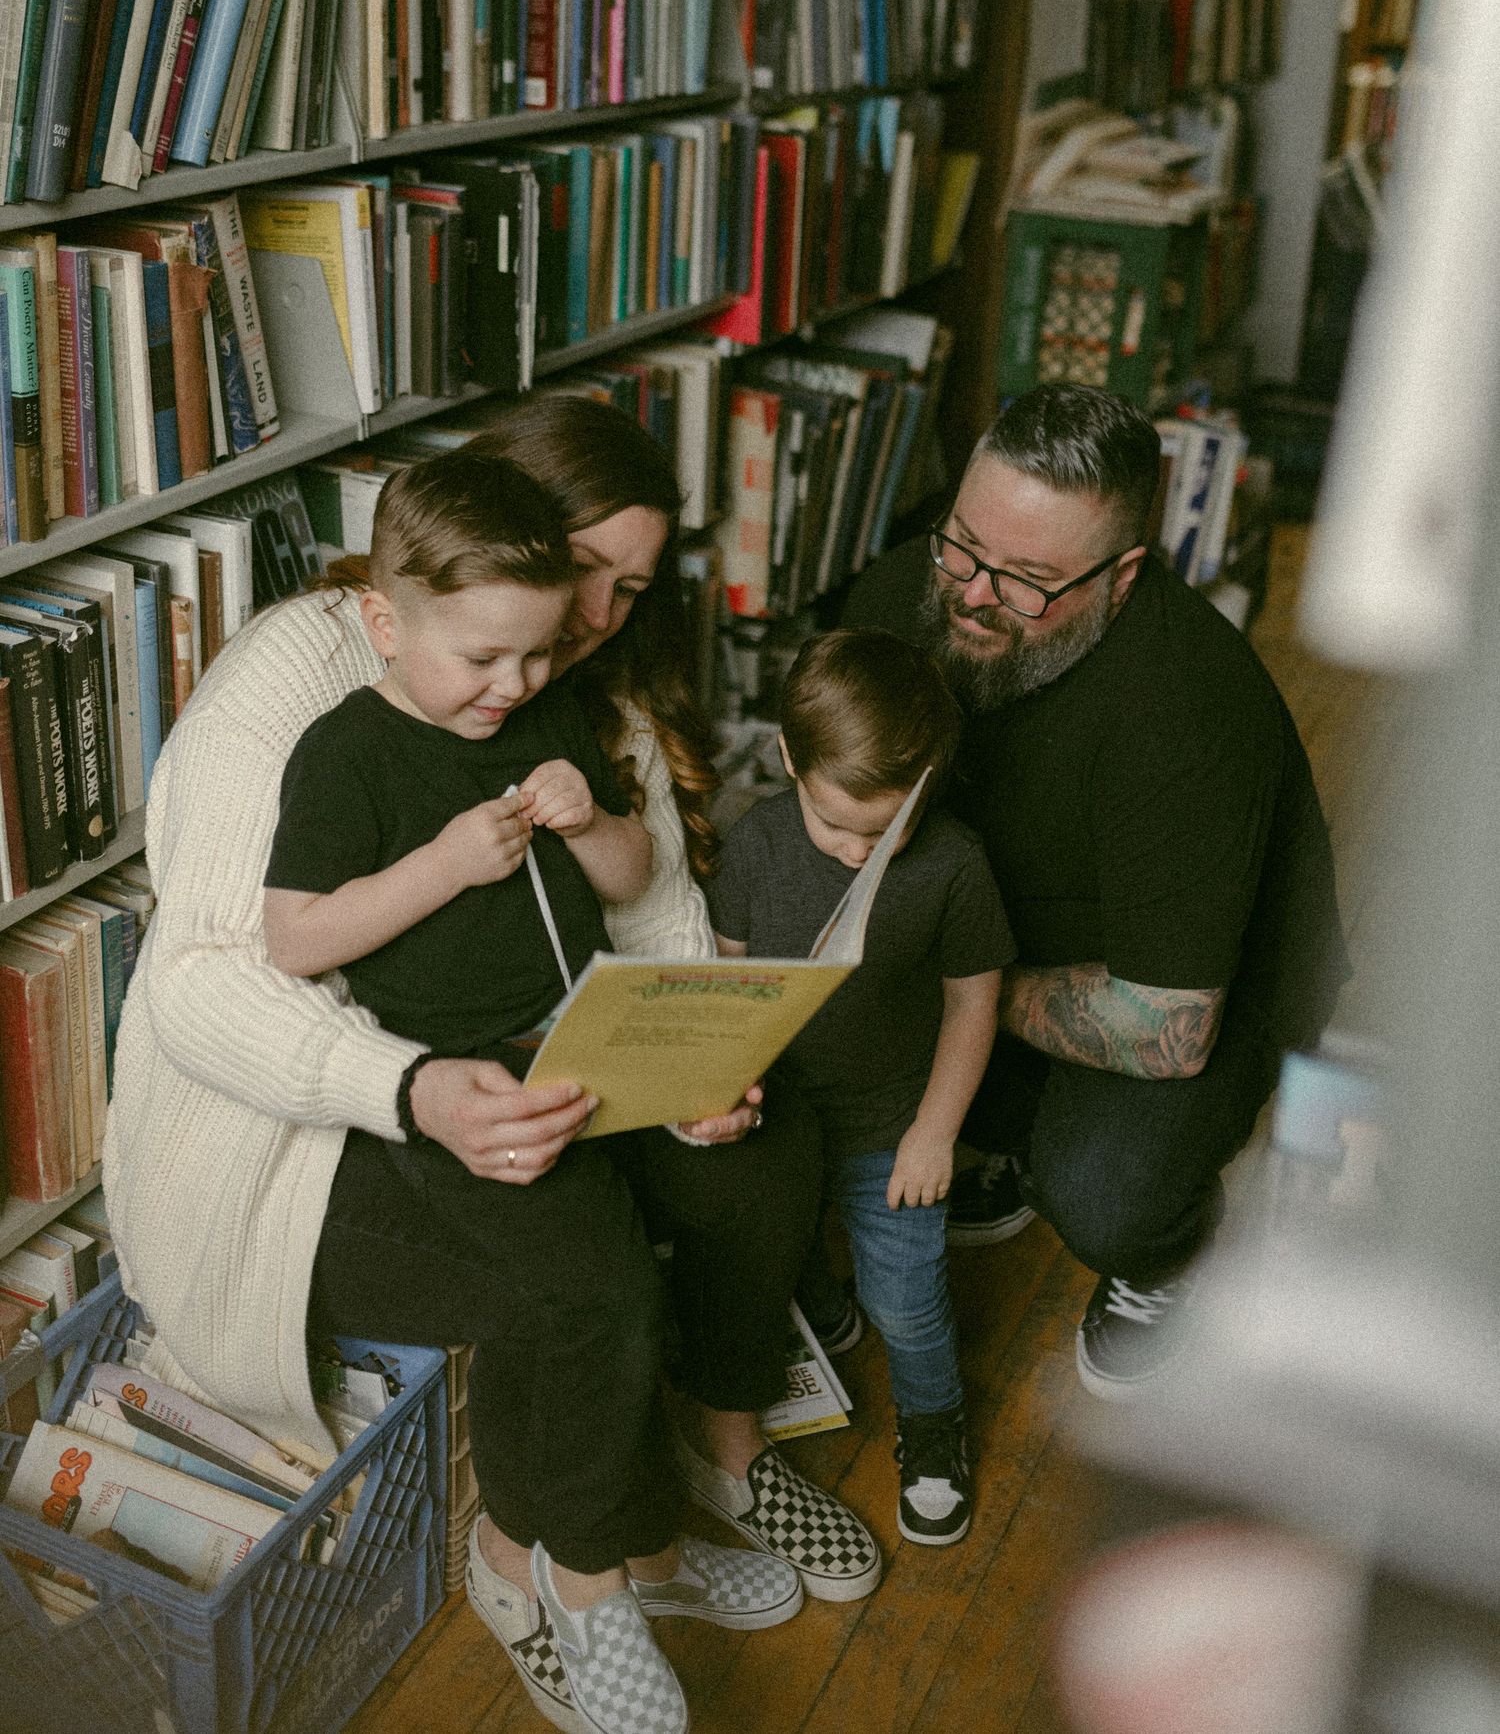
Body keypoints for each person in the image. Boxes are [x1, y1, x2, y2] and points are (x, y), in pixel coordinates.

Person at [104, 397, 879, 1734]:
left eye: (628, 590)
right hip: (303, 1137)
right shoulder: (310, 682)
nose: (592, 617)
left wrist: (701, 1053)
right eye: (580, 569)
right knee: (569, 1265)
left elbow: (650, 900)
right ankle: (553, 1560)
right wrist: (405, 1086)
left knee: (762, 1149)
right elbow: (206, 982)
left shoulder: (563, 689)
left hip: (520, 1058)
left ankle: (708, 1471)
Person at [842, 383, 1348, 1398]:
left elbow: (1172, 1026)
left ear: (1123, 575)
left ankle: (1168, 1261)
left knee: (1107, 1189)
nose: (976, 596)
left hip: (1190, 990)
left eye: (1030, 581)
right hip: (998, 930)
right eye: (963, 546)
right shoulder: (916, 590)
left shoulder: (1188, 710)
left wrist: (961, 987)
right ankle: (1000, 1134)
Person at [706, 630, 1013, 1549]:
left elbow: (973, 1006)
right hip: (777, 1123)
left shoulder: (953, 864)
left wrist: (935, 1132)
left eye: (886, 833)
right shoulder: (755, 842)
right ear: (789, 760)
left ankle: (932, 1429)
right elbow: (728, 984)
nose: (853, 853)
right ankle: (826, 1312)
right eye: (834, 824)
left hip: (892, 1128)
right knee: (779, 1256)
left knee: (911, 1303)